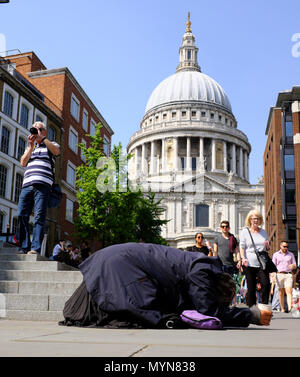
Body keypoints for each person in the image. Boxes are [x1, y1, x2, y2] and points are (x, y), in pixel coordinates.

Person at [60, 243, 272, 329]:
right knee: (149, 311)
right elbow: (208, 310)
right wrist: (250, 315)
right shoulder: (202, 270)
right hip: (119, 266)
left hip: (116, 260)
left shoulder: (196, 264)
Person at [16, 121, 60, 255]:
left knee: (39, 217)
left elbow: (56, 151)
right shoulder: (31, 147)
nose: (36, 131)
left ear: (45, 132)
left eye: (39, 129)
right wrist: (30, 146)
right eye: (34, 129)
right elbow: (23, 162)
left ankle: (35, 248)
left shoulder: (51, 144)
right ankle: (24, 246)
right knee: (21, 214)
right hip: (27, 185)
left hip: (43, 185)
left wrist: (43, 139)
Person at [239, 209, 271, 308]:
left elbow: (267, 248)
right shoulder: (245, 232)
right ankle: (252, 309)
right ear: (250, 220)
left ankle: (263, 305)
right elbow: (242, 246)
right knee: (251, 287)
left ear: (260, 220)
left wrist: (267, 246)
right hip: (249, 263)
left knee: (266, 284)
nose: (255, 221)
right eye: (253, 219)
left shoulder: (263, 232)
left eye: (257, 219)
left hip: (261, 263)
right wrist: (243, 258)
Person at [272, 241, 297, 312]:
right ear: (280, 246)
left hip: (288, 274)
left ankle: (289, 308)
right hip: (279, 274)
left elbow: (295, 264)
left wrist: (293, 266)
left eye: (287, 247)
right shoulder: (276, 254)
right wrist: (273, 276)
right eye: (284, 246)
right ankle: (282, 308)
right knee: (280, 292)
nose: (286, 248)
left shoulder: (291, 254)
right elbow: (273, 266)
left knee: (289, 290)